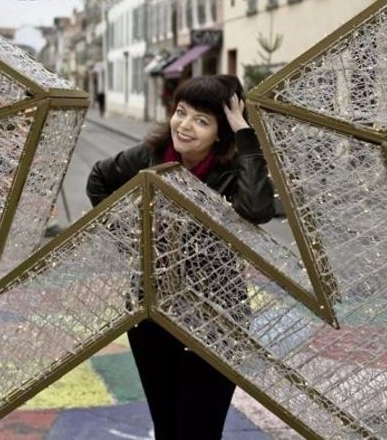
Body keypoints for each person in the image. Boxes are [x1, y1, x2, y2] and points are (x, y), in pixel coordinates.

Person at [86, 75, 275, 439]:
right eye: (181, 112)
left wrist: (244, 133)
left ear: (221, 133)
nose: (184, 126)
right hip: (151, 313)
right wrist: (130, 239)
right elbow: (98, 179)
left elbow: (257, 208)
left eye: (202, 121)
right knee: (169, 427)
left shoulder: (232, 171)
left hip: (216, 316)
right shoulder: (149, 157)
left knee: (201, 430)